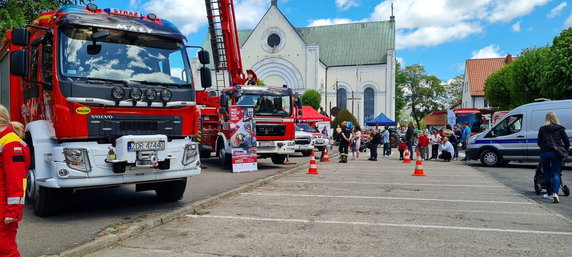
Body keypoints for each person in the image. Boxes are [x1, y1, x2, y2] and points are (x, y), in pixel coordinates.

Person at [0, 105, 30, 257]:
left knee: (5, 249)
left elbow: (16, 180)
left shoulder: (11, 143)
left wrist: (12, 211)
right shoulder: (4, 140)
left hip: (5, 207)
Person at [537, 112, 569, 203]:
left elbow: (539, 142)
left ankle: (549, 194)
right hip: (556, 153)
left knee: (546, 173)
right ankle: (555, 193)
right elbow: (567, 142)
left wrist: (544, 147)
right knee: (556, 173)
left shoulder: (542, 129)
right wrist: (564, 150)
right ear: (555, 118)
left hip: (544, 152)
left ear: (546, 119)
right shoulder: (560, 128)